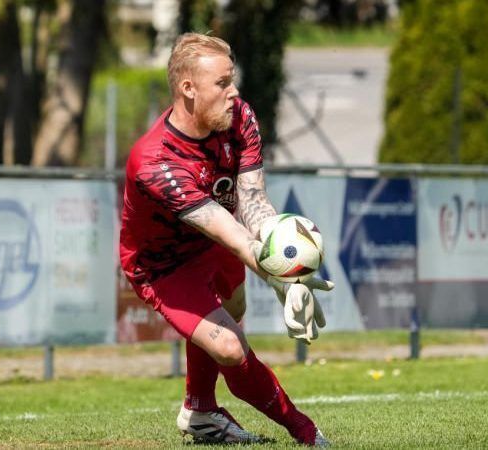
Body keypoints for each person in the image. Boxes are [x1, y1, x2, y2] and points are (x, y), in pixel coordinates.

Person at [119, 33, 334, 446]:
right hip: (162, 265)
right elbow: (227, 230)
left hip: (212, 244)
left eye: (231, 80)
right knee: (231, 348)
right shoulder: (155, 161)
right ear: (188, 89)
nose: (234, 92)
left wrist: (284, 254)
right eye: (222, 83)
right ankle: (305, 430)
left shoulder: (240, 118)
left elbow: (252, 202)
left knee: (233, 311)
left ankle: (199, 412)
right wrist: (281, 279)